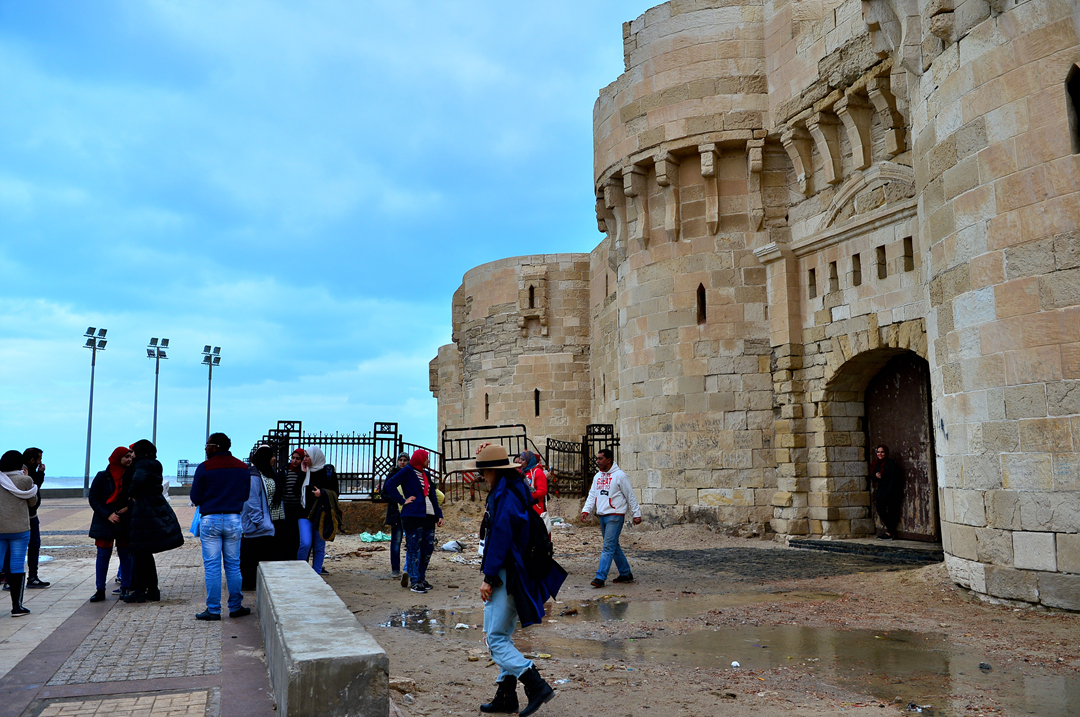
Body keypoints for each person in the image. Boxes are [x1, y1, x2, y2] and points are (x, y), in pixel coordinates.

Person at [472, 444, 564, 717]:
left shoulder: (504, 494)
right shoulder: (515, 487)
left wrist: (489, 577)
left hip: (507, 573)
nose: (482, 477)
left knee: (495, 639)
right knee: (502, 634)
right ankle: (506, 695)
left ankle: (535, 685)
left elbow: (501, 536)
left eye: (484, 472)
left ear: (494, 471)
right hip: (516, 570)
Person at [190, 432, 250, 620]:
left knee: (212, 566)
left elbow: (195, 497)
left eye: (207, 445)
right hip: (233, 519)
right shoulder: (242, 467)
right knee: (233, 565)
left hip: (211, 519)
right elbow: (245, 495)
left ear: (215, 447)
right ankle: (235, 607)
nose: (206, 448)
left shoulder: (204, 467)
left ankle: (214, 609)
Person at [124, 440, 184, 603]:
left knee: (139, 551)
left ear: (140, 452)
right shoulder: (155, 464)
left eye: (133, 452)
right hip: (153, 506)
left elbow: (138, 481)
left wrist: (131, 494)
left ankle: (140, 590)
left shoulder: (142, 464)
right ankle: (152, 589)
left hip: (142, 510)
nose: (132, 455)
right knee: (145, 552)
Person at [581, 448, 641, 588]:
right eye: (597, 458)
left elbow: (630, 496)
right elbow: (592, 495)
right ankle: (625, 573)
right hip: (602, 516)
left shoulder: (620, 476)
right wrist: (586, 510)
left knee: (608, 546)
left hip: (615, 515)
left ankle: (600, 577)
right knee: (613, 545)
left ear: (608, 460)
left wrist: (636, 514)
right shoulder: (597, 476)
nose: (598, 461)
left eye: (600, 459)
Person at [384, 449, 442, 593]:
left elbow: (433, 496)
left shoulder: (426, 474)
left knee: (428, 548)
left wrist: (439, 514)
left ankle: (421, 578)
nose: (428, 461)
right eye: (426, 458)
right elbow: (390, 485)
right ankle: (415, 580)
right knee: (414, 548)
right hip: (413, 515)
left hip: (428, 516)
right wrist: (403, 500)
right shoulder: (407, 471)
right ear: (420, 459)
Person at [87, 447, 134, 601]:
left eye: (130, 456)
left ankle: (125, 587)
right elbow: (93, 498)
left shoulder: (132, 475)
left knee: (126, 555)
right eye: (126, 456)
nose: (129, 459)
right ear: (117, 458)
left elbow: (136, 497)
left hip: (124, 520)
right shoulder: (102, 476)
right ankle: (100, 589)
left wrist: (127, 508)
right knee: (103, 556)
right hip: (104, 521)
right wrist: (108, 514)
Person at [0, 449, 38, 616]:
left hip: (0, 529)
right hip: (20, 529)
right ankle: (17, 606)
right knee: (17, 564)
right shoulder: (25, 480)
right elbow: (32, 502)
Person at [296, 446, 339, 575]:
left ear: (315, 457)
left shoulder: (328, 473)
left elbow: (336, 493)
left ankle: (317, 573)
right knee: (305, 543)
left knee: (319, 546)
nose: (305, 459)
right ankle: (300, 572)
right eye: (304, 456)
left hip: (321, 514)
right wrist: (303, 472)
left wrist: (322, 493)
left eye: (307, 456)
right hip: (304, 513)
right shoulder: (305, 471)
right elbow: (295, 490)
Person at [239, 445, 276, 591]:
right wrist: (260, 522)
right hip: (256, 528)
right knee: (250, 559)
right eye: (272, 456)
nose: (274, 458)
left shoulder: (265, 473)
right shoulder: (254, 476)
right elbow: (251, 501)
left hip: (262, 527)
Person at [379, 452, 409, 579]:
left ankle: (409, 569)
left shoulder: (410, 474)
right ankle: (395, 569)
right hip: (396, 512)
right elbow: (384, 494)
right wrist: (397, 499)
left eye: (405, 460)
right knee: (396, 541)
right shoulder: (392, 474)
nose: (402, 462)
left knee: (411, 541)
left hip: (409, 512)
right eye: (400, 460)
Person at [22, 448, 49, 589]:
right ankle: (11, 578)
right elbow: (33, 489)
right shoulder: (23, 473)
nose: (41, 462)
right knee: (20, 548)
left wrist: (40, 473)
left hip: (32, 515)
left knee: (34, 545)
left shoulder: (30, 471)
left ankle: (32, 577)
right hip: (23, 516)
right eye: (39, 459)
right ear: (32, 460)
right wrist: (41, 473)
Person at [870, 445, 904, 540]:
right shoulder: (876, 463)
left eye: (882, 452)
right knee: (880, 509)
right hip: (881, 490)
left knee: (892, 511)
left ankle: (889, 533)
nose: (880, 454)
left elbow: (893, 478)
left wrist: (889, 491)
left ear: (886, 453)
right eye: (878, 452)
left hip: (891, 491)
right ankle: (891, 531)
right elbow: (873, 478)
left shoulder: (890, 463)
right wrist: (876, 476)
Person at [278, 447, 306, 560]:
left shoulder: (305, 472)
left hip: (300, 509)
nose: (294, 461)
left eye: (298, 458)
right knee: (287, 536)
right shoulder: (285, 470)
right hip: (287, 508)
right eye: (293, 458)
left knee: (298, 537)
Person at [516, 451, 548, 518]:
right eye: (520, 459)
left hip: (535, 508)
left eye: (523, 460)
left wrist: (527, 495)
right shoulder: (521, 473)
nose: (520, 461)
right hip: (522, 508)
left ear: (529, 461)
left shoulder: (538, 472)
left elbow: (542, 491)